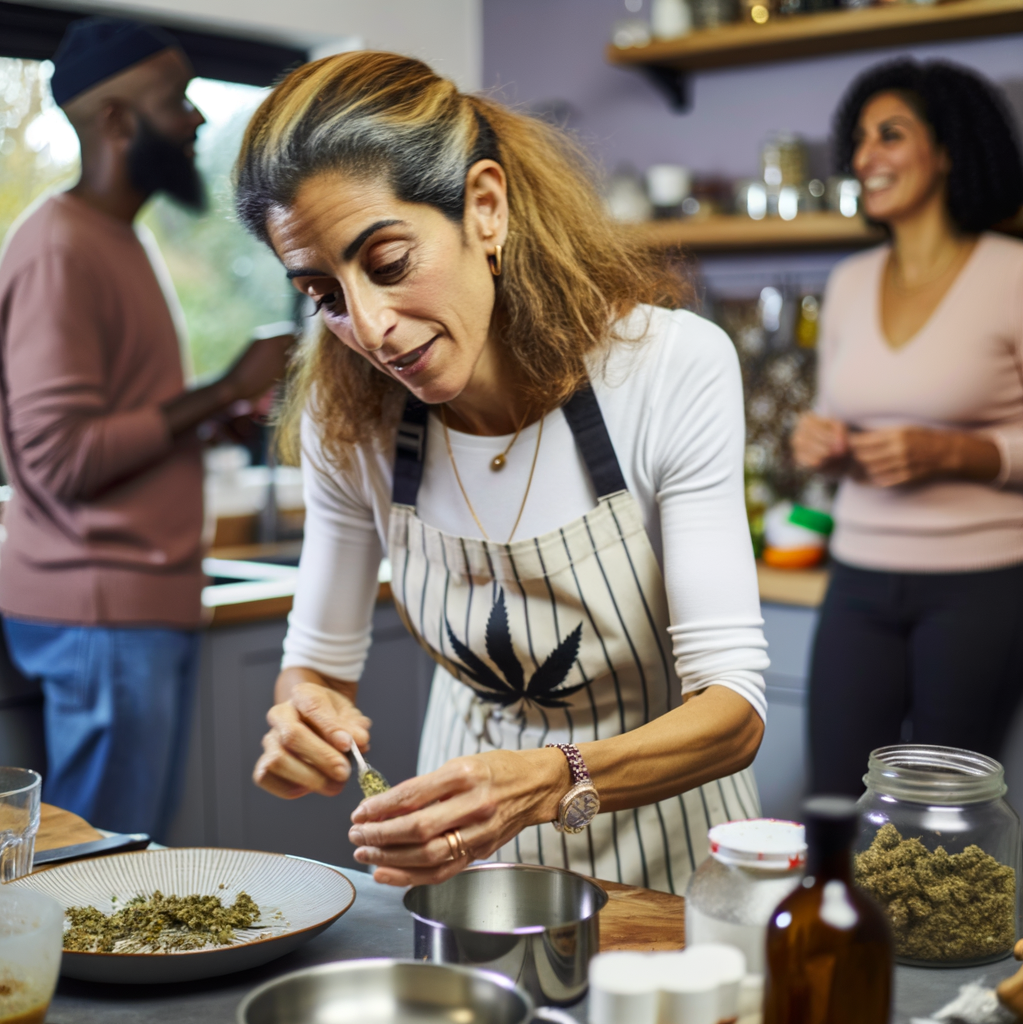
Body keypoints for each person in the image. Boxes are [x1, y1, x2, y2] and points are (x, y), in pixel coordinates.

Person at [236, 51, 769, 893]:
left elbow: (732, 715)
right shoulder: (350, 421)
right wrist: (303, 715)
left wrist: (546, 781)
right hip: (465, 864)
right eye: (324, 295)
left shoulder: (666, 369)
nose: (368, 328)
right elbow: (318, 664)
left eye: (387, 262)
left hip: (672, 864)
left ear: (484, 208)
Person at [0, 17, 292, 839]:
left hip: (131, 608)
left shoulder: (119, 238)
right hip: (100, 611)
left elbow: (114, 423)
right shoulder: (60, 249)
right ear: (117, 121)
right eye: (178, 101)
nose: (197, 119)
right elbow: (59, 460)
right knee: (106, 871)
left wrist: (216, 416)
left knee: (122, 859)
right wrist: (222, 387)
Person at [792, 59, 1023, 796]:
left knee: (944, 832)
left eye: (890, 135)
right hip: (857, 578)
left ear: (948, 148)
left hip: (982, 589)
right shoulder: (849, 282)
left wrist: (957, 452)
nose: (865, 158)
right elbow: (838, 421)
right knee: (831, 799)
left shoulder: (1012, 274)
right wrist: (818, 446)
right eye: (859, 140)